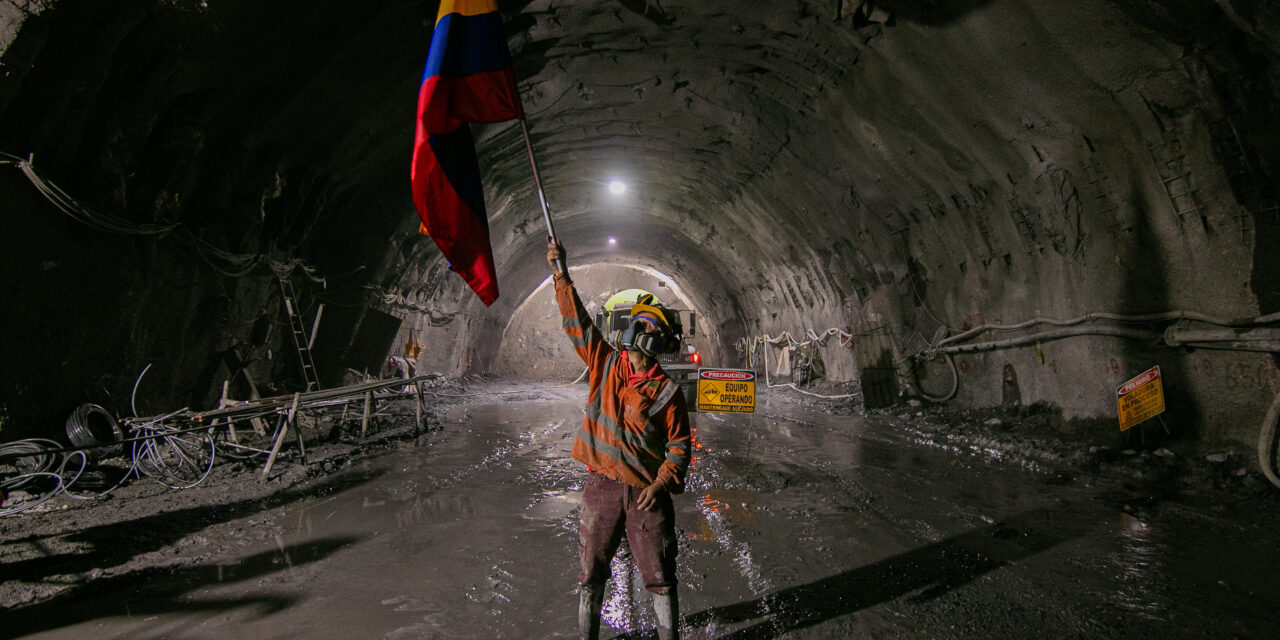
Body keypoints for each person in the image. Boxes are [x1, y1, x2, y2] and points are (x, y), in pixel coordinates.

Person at [547, 239, 692, 640]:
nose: (640, 331)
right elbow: (576, 321)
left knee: (660, 575)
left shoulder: (667, 392)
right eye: (638, 324)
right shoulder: (606, 363)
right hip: (602, 487)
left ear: (658, 340)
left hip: (647, 494)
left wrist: (661, 483)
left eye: (648, 326)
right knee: (591, 572)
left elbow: (679, 449)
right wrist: (561, 274)